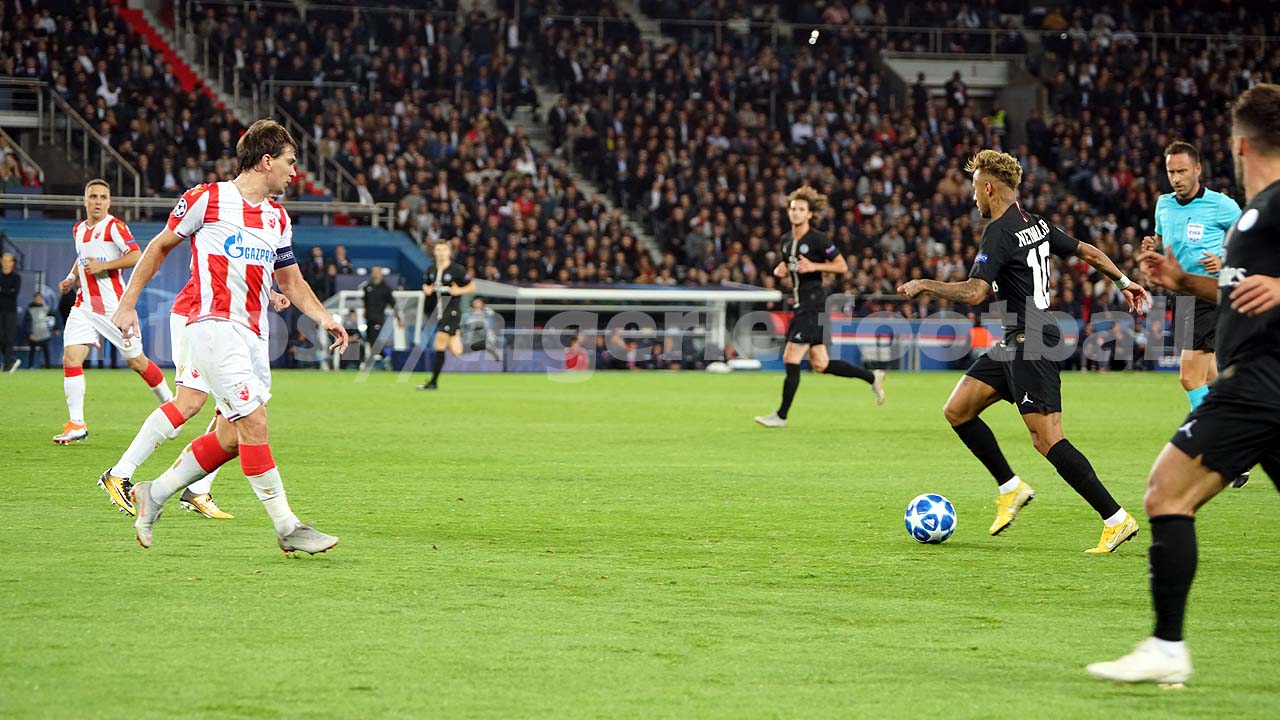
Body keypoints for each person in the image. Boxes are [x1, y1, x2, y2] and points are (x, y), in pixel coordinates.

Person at [1087, 83, 1280, 685]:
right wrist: (1178, 279)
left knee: (1165, 492)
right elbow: (1234, 290)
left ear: (1238, 146)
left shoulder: (1265, 207)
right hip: (1255, 379)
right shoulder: (1256, 212)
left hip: (1261, 381)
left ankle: (1167, 647)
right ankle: (1167, 648)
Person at [111, 118, 349, 554]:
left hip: (255, 336)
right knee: (254, 423)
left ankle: (153, 494)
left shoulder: (278, 218)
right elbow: (159, 246)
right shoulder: (207, 199)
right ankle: (287, 526)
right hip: (213, 327)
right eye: (290, 161)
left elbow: (290, 281)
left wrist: (324, 317)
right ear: (266, 161)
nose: (294, 172)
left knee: (231, 437)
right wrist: (127, 303)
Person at [897, 149, 1150, 553]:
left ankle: (1116, 519)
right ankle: (1010, 487)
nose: (973, 197)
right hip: (1015, 340)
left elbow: (975, 292)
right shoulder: (1036, 223)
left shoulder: (997, 232)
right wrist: (1124, 282)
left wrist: (926, 284)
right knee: (958, 410)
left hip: (1031, 340)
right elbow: (1086, 251)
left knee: (1048, 440)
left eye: (974, 189)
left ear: (988, 188)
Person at [96, 275, 291, 520]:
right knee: (190, 401)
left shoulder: (274, 247)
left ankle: (198, 490)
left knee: (237, 409)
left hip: (238, 322)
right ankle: (120, 473)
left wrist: (269, 293)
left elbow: (257, 272)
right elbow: (200, 264)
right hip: (199, 315)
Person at [1142, 141, 1248, 487]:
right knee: (1214, 378)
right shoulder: (1164, 204)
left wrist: (1226, 259)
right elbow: (1161, 240)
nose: (1176, 178)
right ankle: (1241, 441)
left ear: (1198, 169)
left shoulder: (1222, 205)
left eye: (1182, 171)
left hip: (1210, 294)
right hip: (1182, 298)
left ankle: (1215, 450)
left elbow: (1249, 242)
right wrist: (1151, 248)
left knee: (1189, 377)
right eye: (1171, 171)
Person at [53, 179, 173, 445]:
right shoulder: (78, 229)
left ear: (109, 202)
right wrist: (71, 277)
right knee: (71, 358)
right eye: (93, 196)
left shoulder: (114, 226)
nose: (98, 201)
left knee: (136, 362)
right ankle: (77, 424)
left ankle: (172, 408)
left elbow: (135, 255)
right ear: (85, 200)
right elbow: (82, 256)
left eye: (103, 197)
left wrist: (105, 266)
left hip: (114, 309)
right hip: (84, 306)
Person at [754, 186, 885, 428]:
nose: (795, 212)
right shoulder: (786, 241)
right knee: (821, 364)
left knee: (790, 356)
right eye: (793, 208)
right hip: (802, 305)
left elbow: (841, 266)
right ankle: (872, 377)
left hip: (813, 305)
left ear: (810, 214)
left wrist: (815, 266)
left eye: (801, 209)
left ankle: (781, 416)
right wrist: (781, 270)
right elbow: (789, 267)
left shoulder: (818, 239)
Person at [418, 239, 476, 390]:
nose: (441, 253)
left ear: (449, 252)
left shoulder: (457, 270)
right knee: (457, 351)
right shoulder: (431, 269)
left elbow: (472, 287)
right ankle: (480, 345)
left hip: (452, 310)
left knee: (439, 343)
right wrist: (426, 289)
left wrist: (459, 290)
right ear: (434, 252)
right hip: (439, 312)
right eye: (438, 250)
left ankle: (433, 382)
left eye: (444, 249)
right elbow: (426, 285)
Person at [360, 266, 398, 369]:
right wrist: (364, 310)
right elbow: (365, 301)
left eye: (377, 272)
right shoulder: (367, 287)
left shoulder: (386, 288)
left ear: (381, 273)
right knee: (369, 340)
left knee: (374, 341)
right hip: (369, 318)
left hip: (378, 318)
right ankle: (384, 358)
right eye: (374, 272)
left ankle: (377, 359)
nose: (376, 274)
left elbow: (393, 304)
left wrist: (399, 318)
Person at [461, 296, 501, 362]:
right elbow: (464, 327)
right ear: (472, 303)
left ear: (482, 303)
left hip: (484, 337)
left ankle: (495, 355)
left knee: (490, 339)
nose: (477, 303)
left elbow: (490, 327)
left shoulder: (488, 313)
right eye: (476, 302)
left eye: (479, 302)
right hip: (470, 337)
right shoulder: (466, 314)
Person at [23, 292, 53, 369]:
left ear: (42, 299)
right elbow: (27, 322)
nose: (38, 299)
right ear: (34, 299)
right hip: (34, 333)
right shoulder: (30, 309)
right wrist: (29, 333)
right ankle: (30, 366)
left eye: (40, 298)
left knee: (46, 351)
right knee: (32, 351)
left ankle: (48, 367)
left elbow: (53, 318)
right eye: (37, 298)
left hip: (45, 333)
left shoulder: (47, 308)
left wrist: (55, 328)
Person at [0, 251, 19, 372]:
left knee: (9, 337)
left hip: (10, 311)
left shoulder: (16, 278)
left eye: (9, 261)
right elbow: (9, 292)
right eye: (4, 260)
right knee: (1, 337)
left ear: (12, 263)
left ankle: (8, 365)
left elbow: (14, 293)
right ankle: (11, 359)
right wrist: (6, 290)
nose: (6, 263)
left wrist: (3, 290)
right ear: (1, 261)